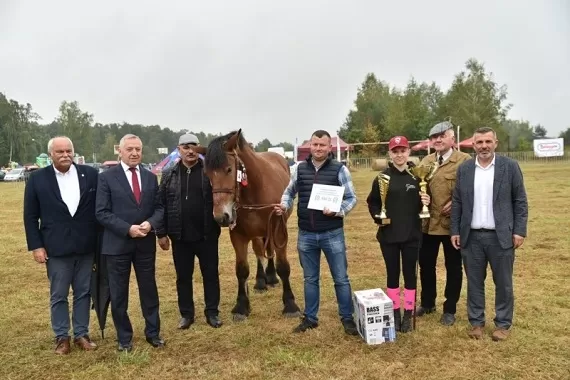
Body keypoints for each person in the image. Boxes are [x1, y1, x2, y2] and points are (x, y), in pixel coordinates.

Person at [274, 129, 359, 335]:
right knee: (310, 279)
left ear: (329, 147)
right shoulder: (300, 169)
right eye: (315, 144)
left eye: (322, 145)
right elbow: (289, 192)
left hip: (332, 233)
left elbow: (351, 198)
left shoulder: (340, 169)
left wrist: (339, 211)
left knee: (341, 278)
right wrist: (284, 206)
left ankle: (347, 318)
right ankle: (310, 318)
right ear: (309, 146)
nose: (318, 148)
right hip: (306, 234)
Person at [23, 136, 99, 355]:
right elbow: (30, 217)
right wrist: (36, 246)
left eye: (68, 151)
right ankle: (62, 337)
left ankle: (82, 334)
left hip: (86, 245)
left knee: (83, 292)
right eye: (60, 152)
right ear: (50, 155)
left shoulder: (91, 175)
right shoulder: (37, 179)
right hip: (55, 248)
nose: (65, 155)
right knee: (59, 294)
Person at [451, 127, 528, 341]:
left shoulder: (510, 167)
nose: (484, 146)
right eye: (479, 142)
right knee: (474, 281)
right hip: (471, 237)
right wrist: (455, 230)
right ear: (473, 145)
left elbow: (520, 200)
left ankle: (503, 324)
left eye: (488, 141)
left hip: (501, 237)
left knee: (503, 283)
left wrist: (519, 230)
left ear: (496, 143)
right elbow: (457, 201)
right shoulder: (465, 169)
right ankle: (476, 322)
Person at [95, 134, 165, 352]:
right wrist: (128, 229)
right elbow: (101, 212)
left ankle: (153, 333)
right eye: (130, 149)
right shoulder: (106, 178)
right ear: (120, 151)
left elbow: (160, 208)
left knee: (149, 290)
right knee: (119, 294)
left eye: (138, 149)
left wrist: (150, 223)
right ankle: (124, 338)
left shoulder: (150, 177)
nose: (135, 153)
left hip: (145, 244)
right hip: (117, 245)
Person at [156, 133, 222, 329]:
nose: (190, 150)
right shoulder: (169, 173)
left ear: (199, 148)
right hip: (180, 236)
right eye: (185, 147)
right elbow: (161, 204)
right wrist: (161, 233)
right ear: (178, 150)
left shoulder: (210, 172)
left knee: (210, 275)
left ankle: (212, 312)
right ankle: (186, 314)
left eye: (193, 146)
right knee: (183, 277)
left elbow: (222, 198)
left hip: (206, 234)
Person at [366, 136, 430, 333]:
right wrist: (379, 217)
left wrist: (427, 200)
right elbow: (373, 202)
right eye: (396, 151)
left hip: (412, 235)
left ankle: (408, 313)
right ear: (390, 154)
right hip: (389, 236)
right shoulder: (381, 178)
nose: (399, 154)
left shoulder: (417, 177)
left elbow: (425, 206)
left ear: (408, 152)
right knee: (392, 275)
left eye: (403, 150)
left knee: (410, 275)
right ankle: (394, 311)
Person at [416, 121, 472, 326]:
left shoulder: (465, 160)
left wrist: (457, 203)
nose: (437, 140)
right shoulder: (426, 161)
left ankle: (450, 309)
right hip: (428, 225)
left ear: (452, 139)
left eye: (442, 136)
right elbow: (418, 188)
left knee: (454, 268)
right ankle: (428, 303)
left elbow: (472, 191)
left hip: (453, 226)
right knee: (426, 266)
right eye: (433, 137)